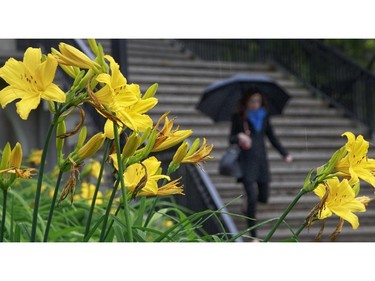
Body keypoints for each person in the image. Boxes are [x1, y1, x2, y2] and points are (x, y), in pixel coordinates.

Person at [229, 87, 293, 240]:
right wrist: (239, 136)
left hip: (261, 162)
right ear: (246, 102)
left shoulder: (264, 117)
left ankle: (247, 205)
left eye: (258, 100)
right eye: (252, 101)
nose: (255, 104)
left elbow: (272, 137)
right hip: (246, 162)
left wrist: (285, 154)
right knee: (252, 197)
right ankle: (253, 236)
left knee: (263, 197)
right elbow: (230, 139)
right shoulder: (239, 117)